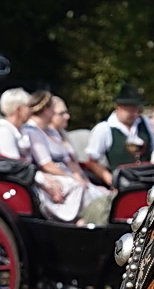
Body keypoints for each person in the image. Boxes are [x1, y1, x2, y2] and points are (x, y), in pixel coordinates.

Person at [24, 91, 113, 223]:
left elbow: (69, 162)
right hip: (52, 178)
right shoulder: (32, 131)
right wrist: (74, 179)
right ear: (47, 110)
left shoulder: (49, 132)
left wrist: (84, 180)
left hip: (64, 175)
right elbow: (46, 164)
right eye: (54, 109)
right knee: (81, 189)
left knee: (100, 193)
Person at [85, 84, 153, 171]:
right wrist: (110, 180)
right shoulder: (104, 129)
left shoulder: (146, 123)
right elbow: (92, 161)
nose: (134, 114)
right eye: (130, 110)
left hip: (147, 177)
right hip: (121, 181)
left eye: (136, 110)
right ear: (119, 108)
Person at [0, 88, 34, 159]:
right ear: (18, 109)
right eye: (29, 107)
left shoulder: (20, 130)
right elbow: (15, 164)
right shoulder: (4, 132)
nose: (31, 111)